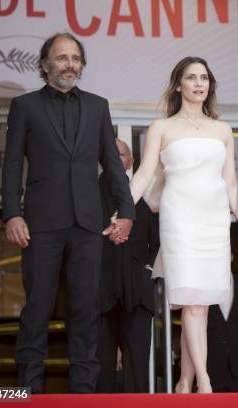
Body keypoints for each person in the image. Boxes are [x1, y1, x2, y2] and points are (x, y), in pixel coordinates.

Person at [1, 32, 134, 393]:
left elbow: (112, 161)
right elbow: (12, 164)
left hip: (88, 224)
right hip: (40, 224)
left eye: (75, 58)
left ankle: (83, 394)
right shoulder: (25, 106)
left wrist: (127, 212)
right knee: (37, 309)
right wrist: (13, 214)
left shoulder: (97, 105)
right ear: (44, 65)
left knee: (86, 311)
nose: (69, 65)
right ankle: (26, 391)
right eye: (62, 58)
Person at [127, 56, 238, 393]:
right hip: (180, 219)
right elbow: (145, 174)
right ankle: (204, 381)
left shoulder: (223, 129)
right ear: (179, 84)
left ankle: (184, 380)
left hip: (215, 220)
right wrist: (123, 211)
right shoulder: (162, 127)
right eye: (191, 77)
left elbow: (231, 182)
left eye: (204, 77)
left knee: (201, 304)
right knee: (192, 301)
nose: (199, 83)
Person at [96, 139, 160, 393]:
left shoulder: (143, 196)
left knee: (137, 366)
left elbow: (158, 243)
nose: (114, 158)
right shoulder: (88, 195)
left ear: (130, 161)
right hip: (99, 290)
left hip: (137, 292)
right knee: (100, 368)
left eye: (120, 154)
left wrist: (146, 272)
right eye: (109, 153)